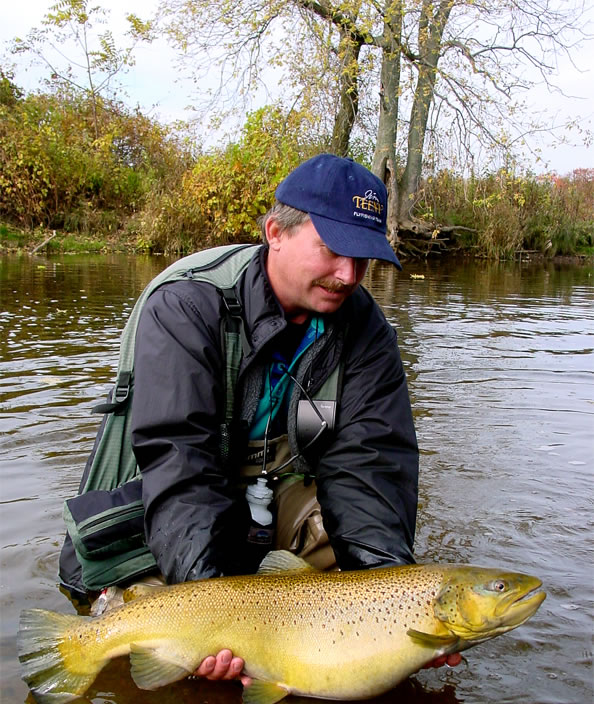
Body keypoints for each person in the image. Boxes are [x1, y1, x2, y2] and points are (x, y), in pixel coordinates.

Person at [61, 153, 460, 676]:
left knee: (353, 574)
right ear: (275, 232)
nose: (348, 275)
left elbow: (370, 468)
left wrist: (395, 619)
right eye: (334, 249)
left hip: (269, 497)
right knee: (144, 630)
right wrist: (208, 608)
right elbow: (179, 464)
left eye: (362, 258)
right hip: (168, 504)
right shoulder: (187, 304)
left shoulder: (365, 331)